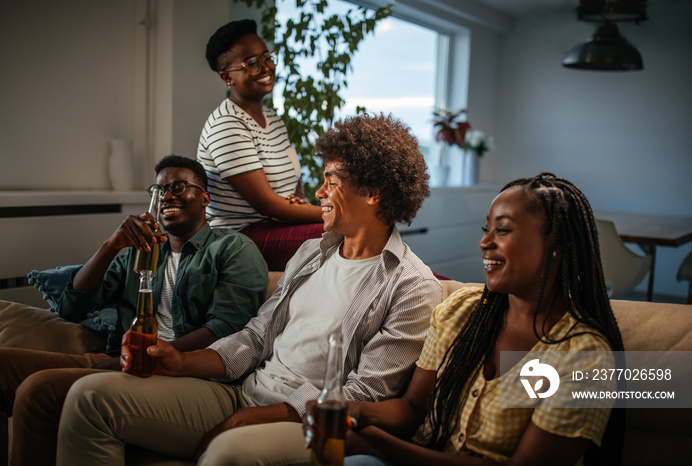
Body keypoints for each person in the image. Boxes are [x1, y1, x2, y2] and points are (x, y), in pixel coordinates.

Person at [56, 114, 443, 465]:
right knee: (90, 396)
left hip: (310, 422)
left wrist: (252, 418)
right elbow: (257, 337)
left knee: (228, 453)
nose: (320, 193)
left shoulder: (412, 286)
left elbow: (365, 393)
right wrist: (180, 361)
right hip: (242, 391)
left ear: (373, 193)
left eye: (331, 182)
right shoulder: (312, 253)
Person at [310, 173, 625, 465]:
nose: (484, 243)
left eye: (502, 230)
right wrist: (354, 411)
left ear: (556, 245)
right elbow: (413, 409)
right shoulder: (461, 310)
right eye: (486, 230)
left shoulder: (584, 358)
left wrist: (378, 444)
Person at [0, 155, 268, 466]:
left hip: (179, 370)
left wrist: (150, 357)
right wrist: (112, 245)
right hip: (116, 357)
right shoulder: (143, 250)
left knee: (37, 390)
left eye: (179, 186)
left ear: (205, 197)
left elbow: (228, 327)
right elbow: (73, 307)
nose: (168, 196)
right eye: (160, 190)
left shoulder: (233, 248)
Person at [198, 19, 325, 271]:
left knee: (357, 228)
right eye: (252, 63)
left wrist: (301, 205)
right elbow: (266, 204)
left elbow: (294, 184)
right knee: (346, 231)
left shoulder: (274, 120)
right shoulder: (226, 124)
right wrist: (334, 213)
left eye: (267, 57)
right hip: (238, 238)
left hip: (274, 226)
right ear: (227, 76)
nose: (266, 67)